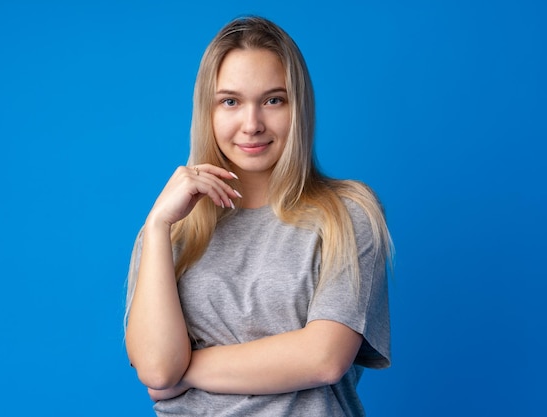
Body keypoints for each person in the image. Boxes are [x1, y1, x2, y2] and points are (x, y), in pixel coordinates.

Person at [124, 15, 393, 416]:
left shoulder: (346, 215)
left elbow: (324, 358)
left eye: (273, 100)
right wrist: (159, 225)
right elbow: (159, 368)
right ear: (208, 111)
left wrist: (190, 369)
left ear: (298, 108)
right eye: (230, 101)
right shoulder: (167, 232)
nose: (252, 125)